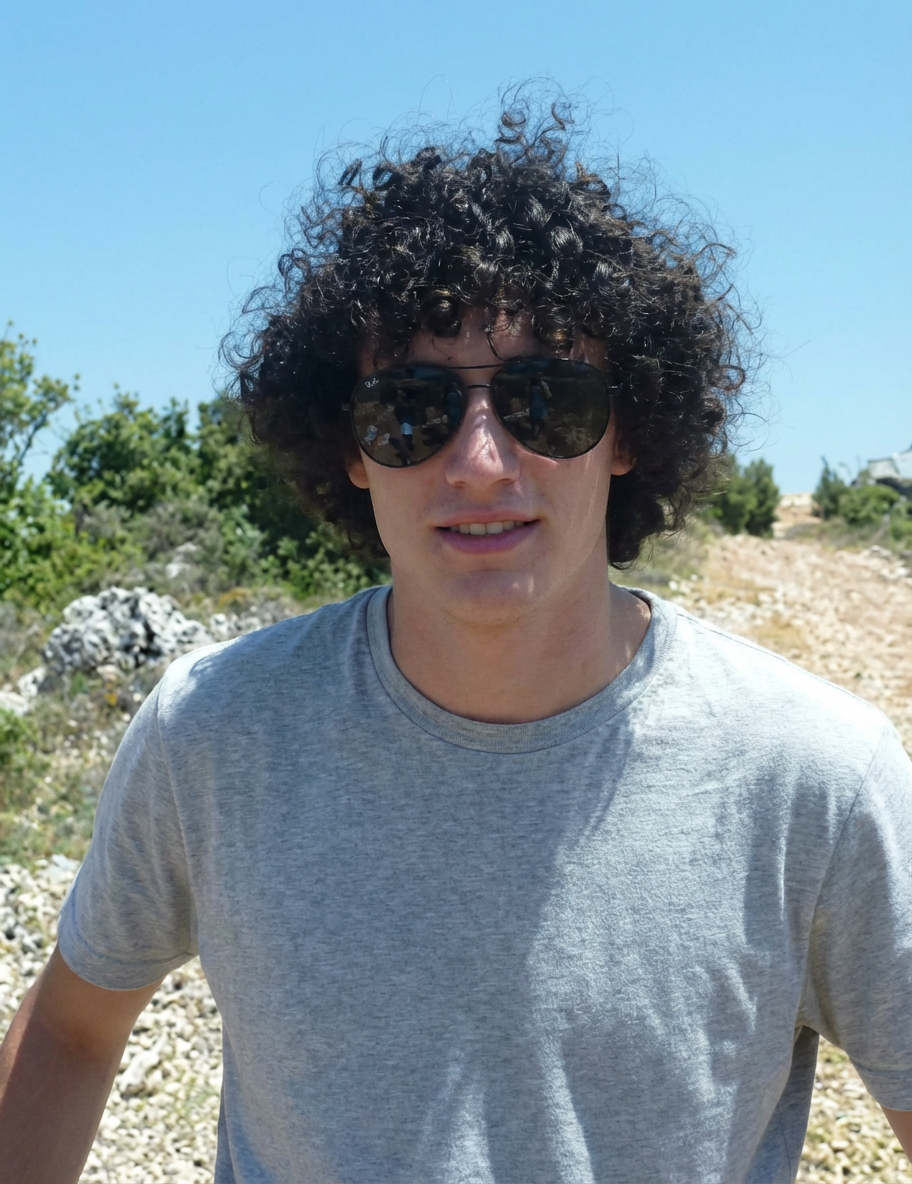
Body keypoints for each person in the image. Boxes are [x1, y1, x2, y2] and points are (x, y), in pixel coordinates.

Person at [1, 100, 909, 1184]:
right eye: (412, 408)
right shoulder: (215, 735)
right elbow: (71, 1029)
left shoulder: (818, 777)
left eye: (547, 399)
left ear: (628, 430)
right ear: (348, 444)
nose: (480, 458)